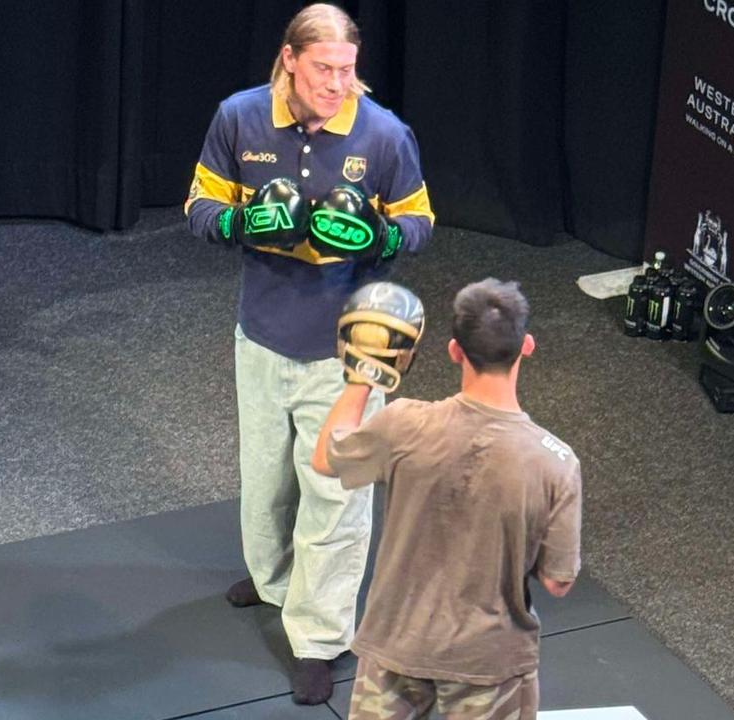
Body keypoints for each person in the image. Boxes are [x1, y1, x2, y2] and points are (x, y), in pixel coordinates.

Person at [183, 2, 434, 706]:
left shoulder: (383, 134)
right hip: (260, 333)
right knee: (266, 481)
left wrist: (381, 240)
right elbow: (199, 208)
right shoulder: (239, 117)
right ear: (290, 60)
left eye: (349, 70)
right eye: (323, 68)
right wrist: (240, 220)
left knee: (337, 496)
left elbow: (419, 222)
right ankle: (274, 585)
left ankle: (319, 637)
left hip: (346, 351)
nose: (337, 83)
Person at [313, 279, 583, 719]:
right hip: (489, 660)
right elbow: (558, 581)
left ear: (455, 350)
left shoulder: (402, 422)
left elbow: (326, 457)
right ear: (526, 346)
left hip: (395, 644)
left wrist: (361, 377)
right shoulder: (556, 463)